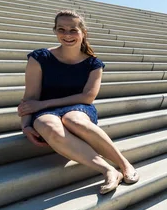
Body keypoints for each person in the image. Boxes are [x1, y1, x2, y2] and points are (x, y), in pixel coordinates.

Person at [17, 10, 139, 194]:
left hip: (78, 108)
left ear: (83, 32)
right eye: (61, 29)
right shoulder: (39, 58)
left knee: (73, 119)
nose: (67, 35)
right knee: (48, 125)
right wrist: (26, 125)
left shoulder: (93, 64)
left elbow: (87, 97)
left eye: (73, 30)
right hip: (45, 112)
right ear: (55, 31)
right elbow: (30, 97)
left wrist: (43, 104)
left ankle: (125, 164)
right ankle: (109, 171)